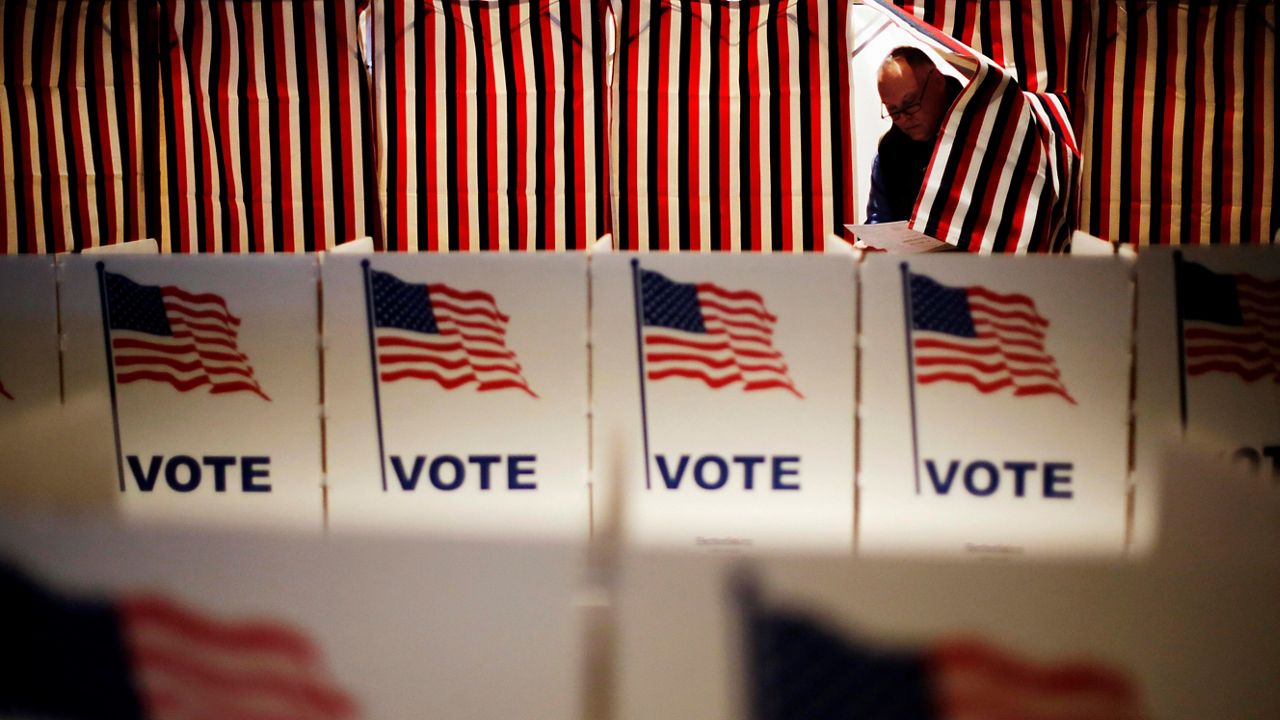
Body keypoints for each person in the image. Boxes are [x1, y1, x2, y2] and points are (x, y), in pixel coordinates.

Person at [866, 46, 963, 224]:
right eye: (893, 111)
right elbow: (879, 219)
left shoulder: (982, 126)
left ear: (938, 81)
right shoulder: (889, 151)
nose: (903, 119)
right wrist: (869, 243)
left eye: (910, 103)